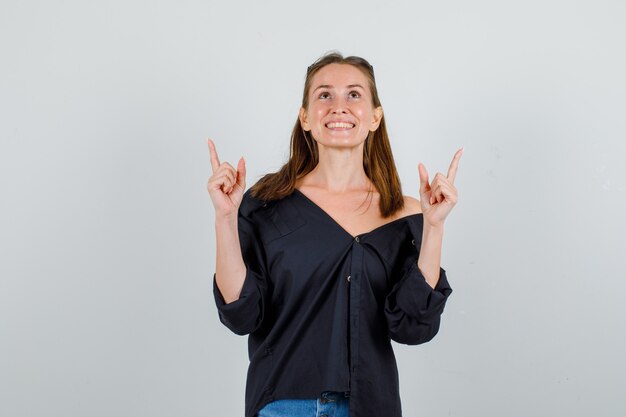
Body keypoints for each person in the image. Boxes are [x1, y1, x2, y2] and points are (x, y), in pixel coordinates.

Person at [207, 52, 463, 417]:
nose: (339, 106)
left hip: (370, 406)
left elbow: (413, 327)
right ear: (305, 117)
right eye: (325, 95)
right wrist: (224, 218)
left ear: (375, 117)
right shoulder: (266, 205)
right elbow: (241, 315)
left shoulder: (406, 214)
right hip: (283, 404)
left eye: (354, 95)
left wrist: (435, 226)